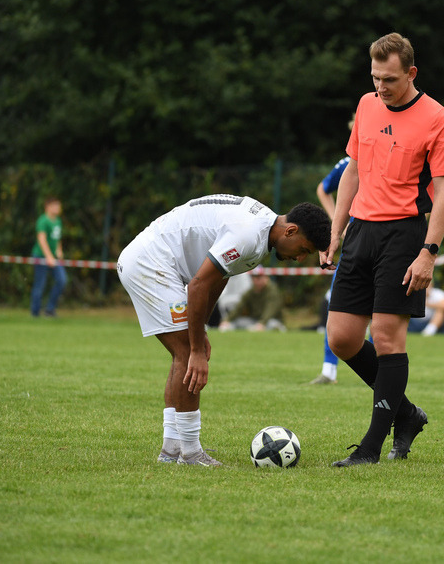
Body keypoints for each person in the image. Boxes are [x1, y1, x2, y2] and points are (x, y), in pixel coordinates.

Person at [320, 32, 444, 467]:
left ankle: (370, 449)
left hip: (404, 236)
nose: (382, 87)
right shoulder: (366, 105)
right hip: (360, 231)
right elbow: (353, 172)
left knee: (386, 337)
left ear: (411, 73)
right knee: (341, 338)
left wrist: (428, 252)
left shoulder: (437, 117)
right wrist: (336, 230)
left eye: (391, 79)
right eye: (376, 77)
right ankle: (406, 414)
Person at [116, 195, 330, 466]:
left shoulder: (262, 232)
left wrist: (201, 329)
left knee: (185, 352)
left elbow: (218, 278)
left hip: (155, 262)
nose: (300, 258)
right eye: (304, 249)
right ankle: (190, 452)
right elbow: (197, 286)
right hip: (151, 263)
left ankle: (171, 450)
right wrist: (195, 348)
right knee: (186, 354)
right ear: (291, 230)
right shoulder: (249, 235)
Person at [308, 135, 353, 385]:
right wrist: (338, 222)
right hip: (354, 244)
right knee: (336, 302)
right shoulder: (349, 163)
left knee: (380, 312)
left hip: (387, 242)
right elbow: (323, 189)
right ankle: (329, 370)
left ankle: (380, 370)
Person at [30, 196, 66, 317]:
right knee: (40, 284)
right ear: (48, 207)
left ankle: (50, 309)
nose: (58, 208)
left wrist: (59, 250)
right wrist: (49, 256)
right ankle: (35, 313)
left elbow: (57, 238)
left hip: (53, 258)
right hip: (41, 256)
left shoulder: (58, 221)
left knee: (62, 280)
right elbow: (42, 239)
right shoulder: (43, 220)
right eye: (55, 205)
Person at [219, 270, 286, 332]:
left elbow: (270, 310)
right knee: (237, 323)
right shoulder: (251, 291)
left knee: (272, 324)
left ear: (265, 278)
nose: (256, 280)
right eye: (254, 278)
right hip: (255, 320)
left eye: (259, 278)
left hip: (270, 320)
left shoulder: (272, 291)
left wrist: (262, 323)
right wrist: (227, 320)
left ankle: (278, 328)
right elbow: (239, 307)